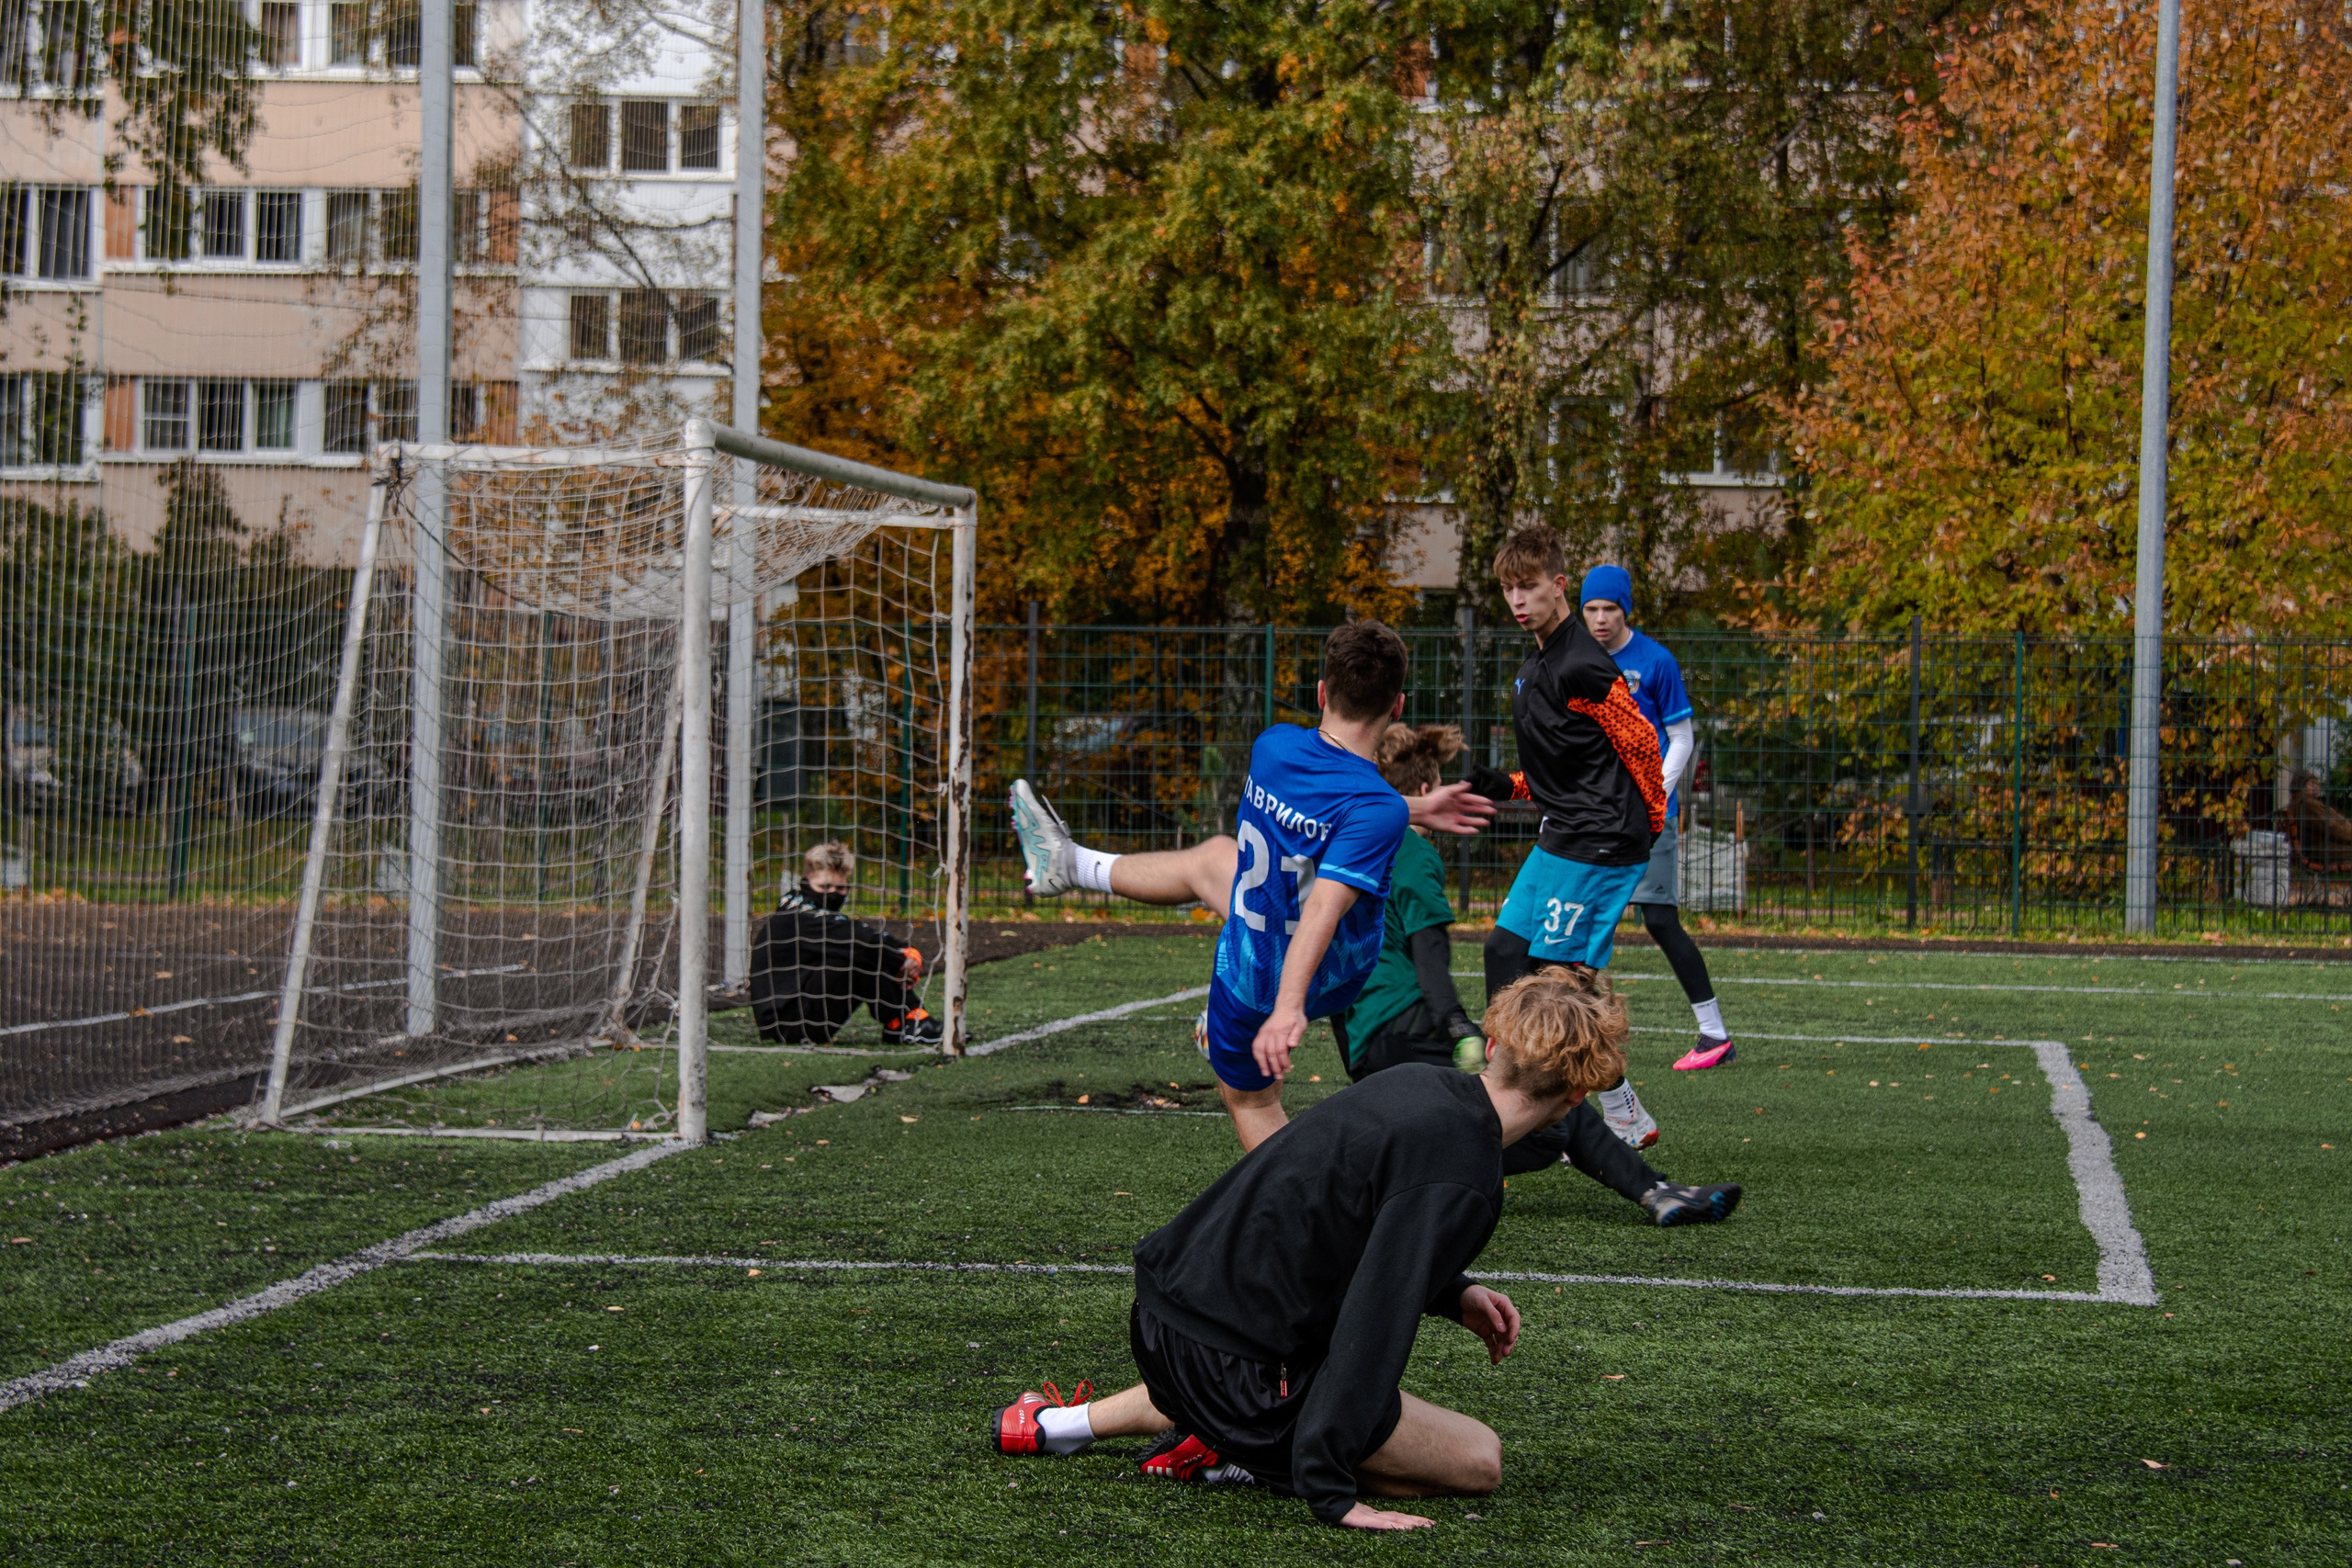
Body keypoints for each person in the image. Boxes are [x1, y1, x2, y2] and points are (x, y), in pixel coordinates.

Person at [987, 967, 1629, 1529]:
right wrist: (1330, 1489)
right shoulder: (1467, 1173)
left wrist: (1455, 1290)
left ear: (1492, 1045)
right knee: (1478, 1458)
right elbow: (1374, 1321)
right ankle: (1242, 1450)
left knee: (1242, 1358)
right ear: (1577, 1094)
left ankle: (1052, 1426)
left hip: (1168, 1314)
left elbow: (1340, 1220)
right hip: (1233, 1366)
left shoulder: (1415, 1082)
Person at [1008, 619, 1494, 1149]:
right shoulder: (1376, 807)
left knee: (1251, 1099)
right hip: (1333, 965)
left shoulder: (1274, 747)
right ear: (1397, 706)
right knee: (1215, 858)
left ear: (1322, 692)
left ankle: (1301, 1210)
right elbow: (1341, 850)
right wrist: (1416, 806)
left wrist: (1287, 1006)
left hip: (1267, 968)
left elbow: (1327, 861)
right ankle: (1070, 864)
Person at [1340, 723, 1739, 1227]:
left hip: (1363, 1041)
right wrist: (1459, 1026)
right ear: (1425, 791)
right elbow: (1429, 957)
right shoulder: (1413, 852)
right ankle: (1656, 1190)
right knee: (1546, 1109)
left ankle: (1404, 1173)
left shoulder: (1356, 844)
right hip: (1406, 1025)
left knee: (1433, 1125)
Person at [1476, 525, 1668, 1149]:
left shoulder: (1583, 659)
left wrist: (1652, 816)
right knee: (1504, 953)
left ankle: (1614, 1107)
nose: (1517, 600)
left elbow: (1639, 741)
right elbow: (1568, 770)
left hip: (1601, 842)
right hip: (1563, 835)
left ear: (1558, 586)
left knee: (1562, 983)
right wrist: (1504, 785)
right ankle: (1511, 1088)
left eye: (1527, 586)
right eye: (1507, 589)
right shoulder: (1536, 665)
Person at [1579, 564, 1736, 1072]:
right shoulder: (1573, 657)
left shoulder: (1656, 661)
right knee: (1577, 920)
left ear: (1626, 609)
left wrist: (1651, 795)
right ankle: (1567, 1032)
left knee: (1660, 920)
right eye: (1592, 609)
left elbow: (1683, 738)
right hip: (1590, 814)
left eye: (1610, 608)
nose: (1601, 619)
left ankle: (1714, 1034)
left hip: (1646, 815)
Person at [747, 840, 942, 1045]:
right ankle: (906, 1022)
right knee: (858, 951)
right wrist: (901, 959)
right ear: (806, 882)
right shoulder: (798, 915)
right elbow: (859, 938)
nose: (832, 893)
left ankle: (903, 1022)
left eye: (840, 888)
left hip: (802, 1009)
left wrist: (906, 953)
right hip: (788, 1025)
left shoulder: (804, 908)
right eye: (824, 886)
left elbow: (855, 932)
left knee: (860, 948)